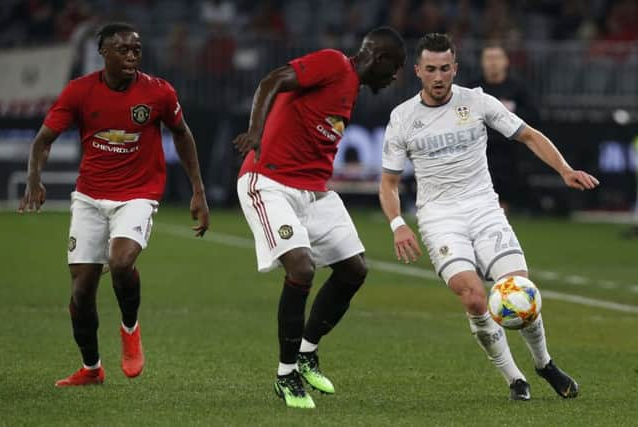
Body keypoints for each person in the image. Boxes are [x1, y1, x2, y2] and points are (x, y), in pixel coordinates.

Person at [379, 33, 599, 401]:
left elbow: (528, 135)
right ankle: (515, 379)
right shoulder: (402, 118)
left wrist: (564, 169)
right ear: (417, 71)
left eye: (445, 69)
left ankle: (544, 363)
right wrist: (398, 224)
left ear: (455, 69)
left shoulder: (478, 101)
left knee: (520, 292)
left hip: (484, 209)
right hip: (439, 218)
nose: (438, 77)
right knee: (474, 298)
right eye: (430, 69)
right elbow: (388, 183)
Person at [18, 22, 210, 387]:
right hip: (90, 197)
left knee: (122, 262)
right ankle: (92, 368)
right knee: (80, 293)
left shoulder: (158, 93)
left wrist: (197, 190)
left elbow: (182, 135)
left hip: (138, 194)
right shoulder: (79, 92)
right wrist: (33, 179)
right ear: (103, 53)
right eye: (123, 50)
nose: (132, 55)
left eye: (137, 49)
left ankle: (130, 328)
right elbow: (43, 140)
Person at [233, 27, 406, 409]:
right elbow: (272, 79)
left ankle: (308, 352)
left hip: (314, 191)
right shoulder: (333, 64)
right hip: (270, 181)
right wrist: (256, 131)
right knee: (301, 268)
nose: (395, 78)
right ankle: (286, 375)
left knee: (354, 270)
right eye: (395, 68)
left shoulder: (352, 89)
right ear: (379, 58)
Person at [471, 43, 540, 212]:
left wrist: (512, 109)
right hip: (481, 152)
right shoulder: (473, 88)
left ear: (506, 62)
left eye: (497, 58)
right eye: (488, 58)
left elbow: (534, 115)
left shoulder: (518, 87)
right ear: (482, 62)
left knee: (506, 202)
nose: (493, 62)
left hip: (511, 152)